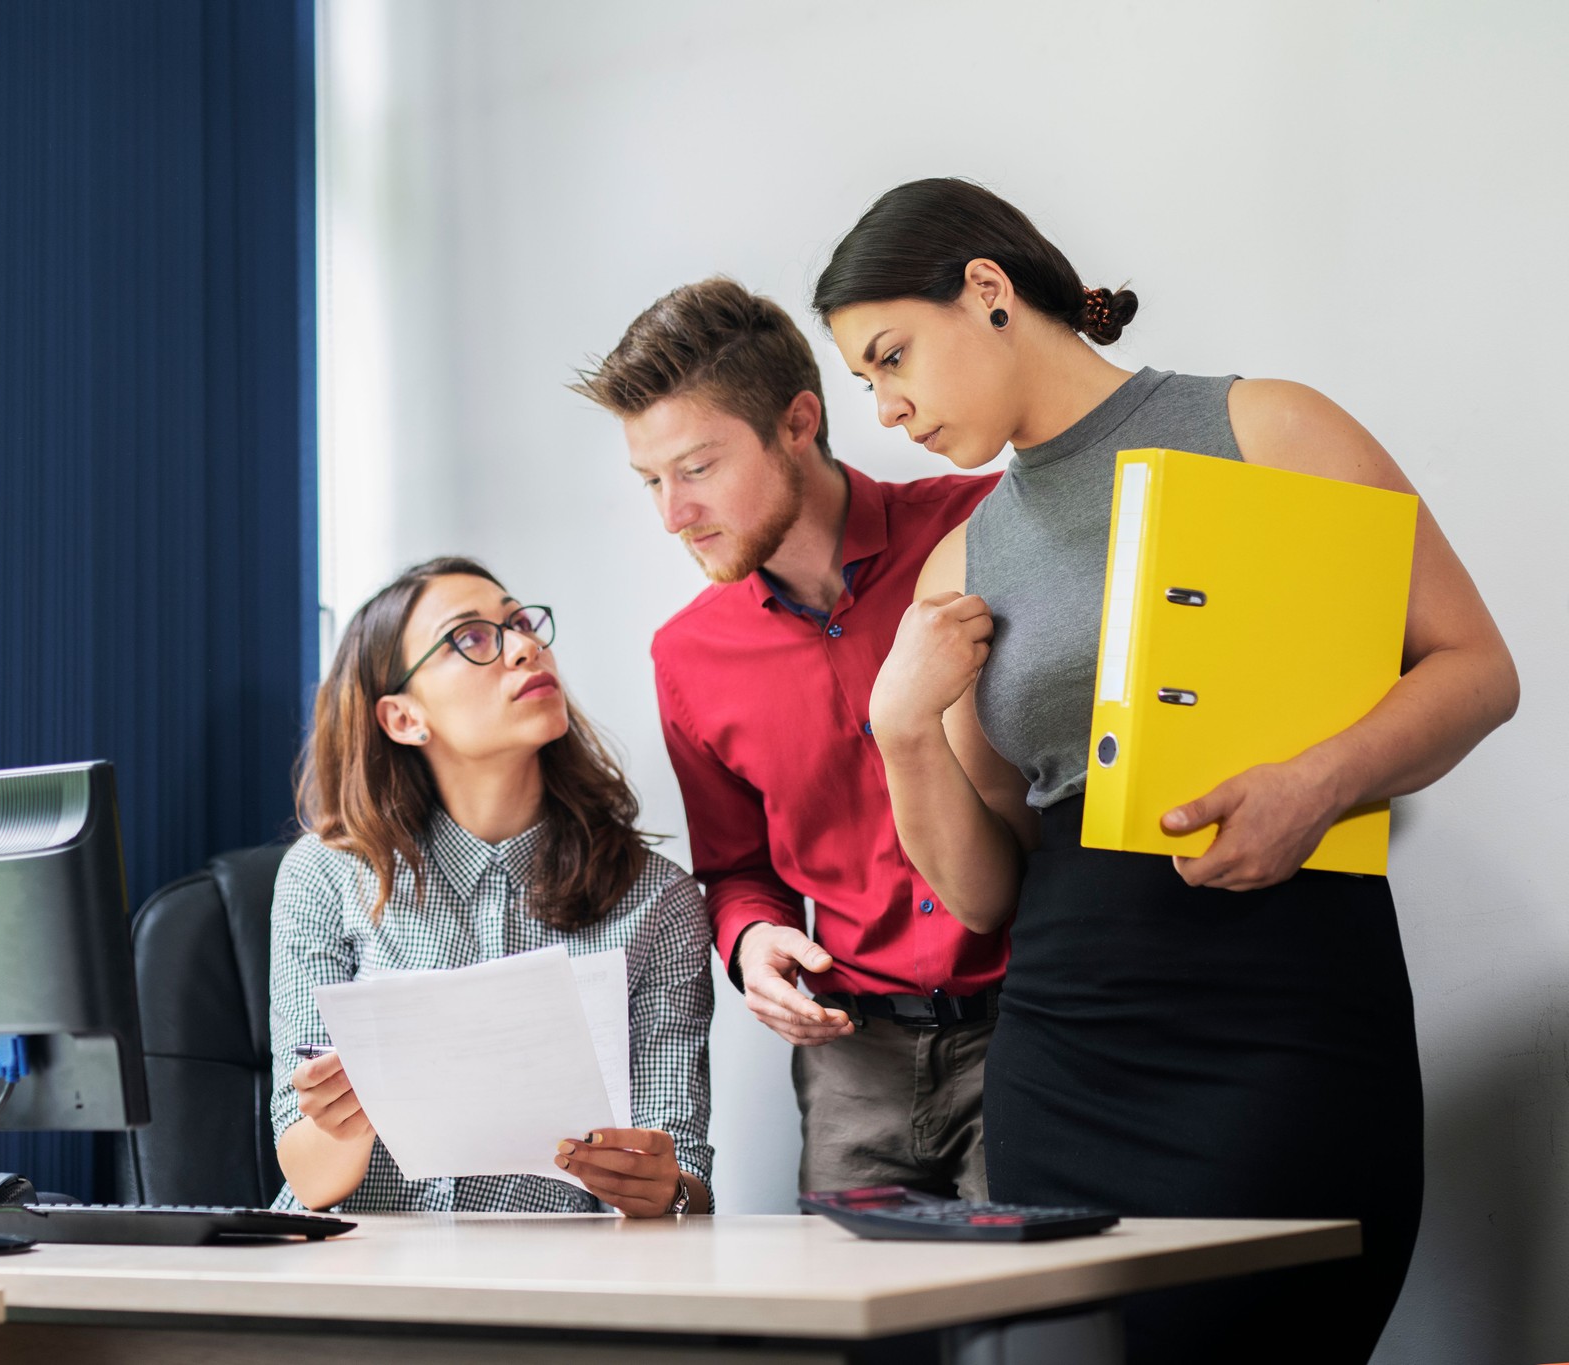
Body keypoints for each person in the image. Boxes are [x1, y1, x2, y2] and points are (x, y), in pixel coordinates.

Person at [810, 177, 1519, 1362]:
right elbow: (991, 892)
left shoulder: (1268, 427)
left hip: (1286, 1014)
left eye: (892, 358)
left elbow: (1475, 670)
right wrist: (896, 728)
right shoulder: (957, 568)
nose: (887, 408)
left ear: (987, 291)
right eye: (866, 385)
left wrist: (1319, 781)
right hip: (1069, 1046)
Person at [573, 279, 1001, 1200]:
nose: (671, 515)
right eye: (651, 480)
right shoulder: (687, 655)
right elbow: (736, 868)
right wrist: (754, 937)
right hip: (853, 1069)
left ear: (799, 420)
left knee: (1035, 1335)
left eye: (696, 468)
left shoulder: (987, 528)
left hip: (1032, 1031)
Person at [267, 556, 714, 1217]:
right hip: (355, 1271)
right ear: (402, 718)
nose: (526, 646)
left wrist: (664, 1187)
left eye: (521, 624)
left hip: (554, 1288)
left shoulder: (658, 900)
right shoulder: (324, 875)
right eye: (471, 638)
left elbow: (686, 1179)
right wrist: (347, 1115)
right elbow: (308, 1179)